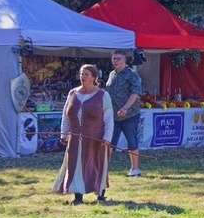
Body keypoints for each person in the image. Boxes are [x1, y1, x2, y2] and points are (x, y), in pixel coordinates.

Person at [53, 64, 113, 205]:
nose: (83, 77)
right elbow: (66, 115)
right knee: (75, 165)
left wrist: (107, 137)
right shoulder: (73, 93)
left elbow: (109, 118)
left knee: (96, 165)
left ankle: (100, 193)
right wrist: (63, 134)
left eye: (86, 74)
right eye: (81, 74)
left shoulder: (103, 95)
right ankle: (78, 196)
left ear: (93, 77)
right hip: (75, 139)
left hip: (96, 139)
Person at [106, 49, 142, 177]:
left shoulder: (132, 74)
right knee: (109, 142)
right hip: (114, 116)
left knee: (131, 141)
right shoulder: (112, 74)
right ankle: (104, 168)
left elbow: (135, 93)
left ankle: (134, 169)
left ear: (125, 59)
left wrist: (126, 107)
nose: (116, 61)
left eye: (118, 58)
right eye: (114, 58)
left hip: (130, 115)